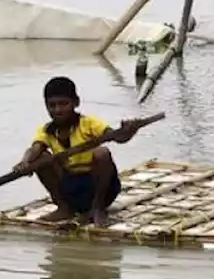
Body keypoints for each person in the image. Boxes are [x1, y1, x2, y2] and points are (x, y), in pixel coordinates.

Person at [12, 76, 145, 226]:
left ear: (76, 102)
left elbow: (118, 137)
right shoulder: (46, 131)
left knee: (102, 153)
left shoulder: (89, 124)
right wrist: (25, 162)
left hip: (98, 188)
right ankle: (64, 208)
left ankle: (97, 209)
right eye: (52, 105)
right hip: (71, 188)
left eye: (64, 104)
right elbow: (35, 149)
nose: (58, 110)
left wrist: (128, 130)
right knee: (41, 158)